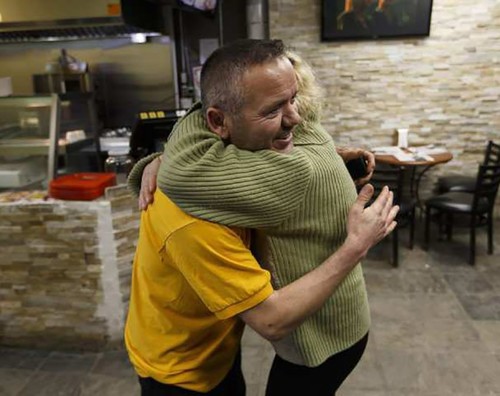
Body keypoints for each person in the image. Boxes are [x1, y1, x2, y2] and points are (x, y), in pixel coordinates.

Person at [125, 39, 398, 396]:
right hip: (178, 369)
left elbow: (299, 159)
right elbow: (271, 319)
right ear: (217, 122)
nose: (296, 118)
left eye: (293, 99)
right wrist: (356, 246)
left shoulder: (246, 159)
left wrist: (163, 157)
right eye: (272, 110)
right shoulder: (190, 217)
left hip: (222, 345)